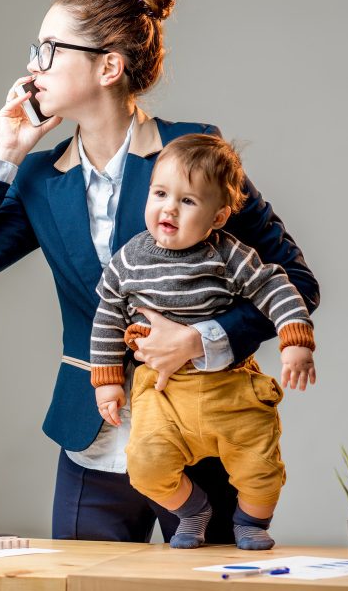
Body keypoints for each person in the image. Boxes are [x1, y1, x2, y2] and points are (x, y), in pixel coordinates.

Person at [0, 0, 320, 543]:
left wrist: (203, 339)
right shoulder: (40, 178)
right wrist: (7, 151)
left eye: (48, 49)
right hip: (95, 436)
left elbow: (295, 281)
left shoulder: (193, 153)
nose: (32, 68)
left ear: (108, 65)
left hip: (202, 430)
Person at [90, 134, 316, 550]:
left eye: (188, 201)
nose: (169, 208)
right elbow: (107, 315)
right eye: (160, 193)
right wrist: (105, 380)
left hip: (230, 386)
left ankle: (249, 523)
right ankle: (192, 510)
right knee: (145, 464)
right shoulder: (129, 259)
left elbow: (277, 286)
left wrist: (295, 338)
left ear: (218, 217)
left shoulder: (229, 255)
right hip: (162, 392)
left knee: (261, 466)